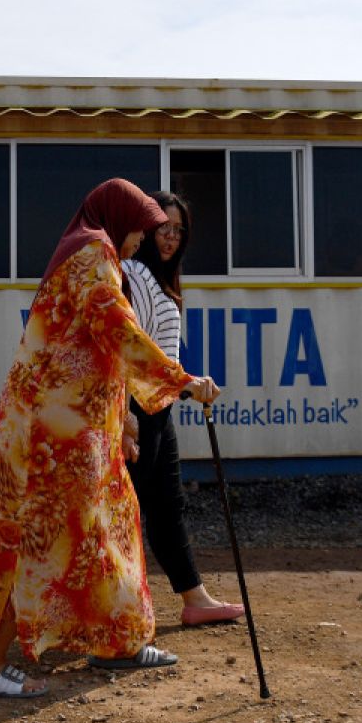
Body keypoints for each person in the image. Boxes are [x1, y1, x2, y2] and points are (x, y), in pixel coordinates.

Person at [0, 179, 221, 698]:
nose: (141, 243)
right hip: (51, 434)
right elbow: (117, 330)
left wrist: (121, 422)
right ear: (117, 219)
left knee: (109, 525)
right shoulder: (94, 253)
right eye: (139, 233)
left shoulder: (87, 252)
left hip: (67, 427)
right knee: (43, 539)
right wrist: (182, 382)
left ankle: (116, 640)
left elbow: (96, 352)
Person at [121, 192, 245, 627]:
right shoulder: (131, 275)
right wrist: (124, 413)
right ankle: (117, 612)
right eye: (163, 228)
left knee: (168, 506)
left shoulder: (165, 282)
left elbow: (162, 357)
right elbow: (128, 351)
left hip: (160, 406)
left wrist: (187, 385)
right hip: (133, 408)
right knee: (126, 511)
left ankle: (195, 598)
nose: (170, 238)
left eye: (178, 230)